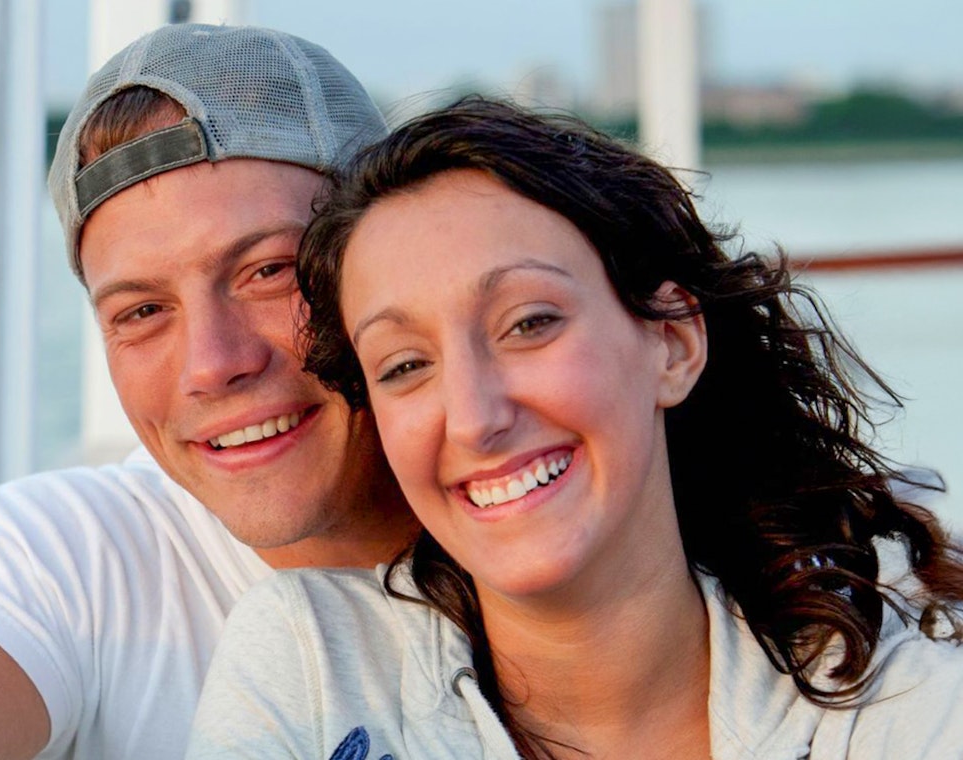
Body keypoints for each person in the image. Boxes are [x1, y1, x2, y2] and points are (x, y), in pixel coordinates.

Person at [185, 98, 963, 759]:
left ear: (672, 343)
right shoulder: (314, 666)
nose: (476, 418)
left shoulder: (908, 708)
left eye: (529, 323)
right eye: (405, 365)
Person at [0, 24, 418, 760]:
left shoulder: (513, 519)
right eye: (142, 311)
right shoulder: (78, 563)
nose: (211, 364)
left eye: (269, 271)